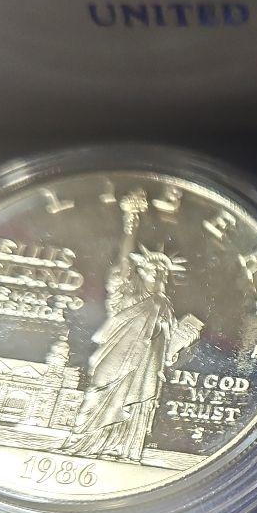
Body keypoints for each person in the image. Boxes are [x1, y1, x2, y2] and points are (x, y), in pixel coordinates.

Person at [62, 190, 201, 461]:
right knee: (98, 390)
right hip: (116, 354)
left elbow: (166, 340)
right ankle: (81, 442)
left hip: (147, 364)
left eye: (162, 271)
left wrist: (184, 336)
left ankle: (123, 450)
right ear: (142, 271)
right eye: (152, 269)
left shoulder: (164, 304)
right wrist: (131, 222)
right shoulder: (127, 291)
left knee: (138, 401)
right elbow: (124, 262)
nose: (158, 273)